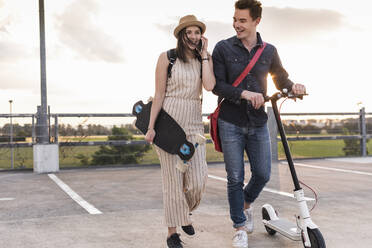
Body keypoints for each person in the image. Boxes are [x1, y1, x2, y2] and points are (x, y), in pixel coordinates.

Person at [211, 0, 306, 247]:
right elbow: (217, 86)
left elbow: (280, 78)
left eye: (242, 20)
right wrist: (243, 94)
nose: (236, 25)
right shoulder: (223, 48)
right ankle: (240, 227)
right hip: (230, 120)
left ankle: (244, 205)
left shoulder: (269, 51)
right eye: (235, 19)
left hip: (258, 122)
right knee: (234, 177)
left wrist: (292, 87)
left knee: (263, 173)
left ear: (256, 21)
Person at [144, 15, 216, 248]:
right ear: (181, 35)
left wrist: (205, 54)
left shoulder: (204, 58)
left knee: (198, 180)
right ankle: (172, 234)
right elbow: (159, 94)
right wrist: (151, 127)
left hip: (194, 123)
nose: (194, 37)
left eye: (197, 32)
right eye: (190, 33)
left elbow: (209, 86)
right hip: (169, 123)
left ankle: (184, 213)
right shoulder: (167, 58)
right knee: (173, 180)